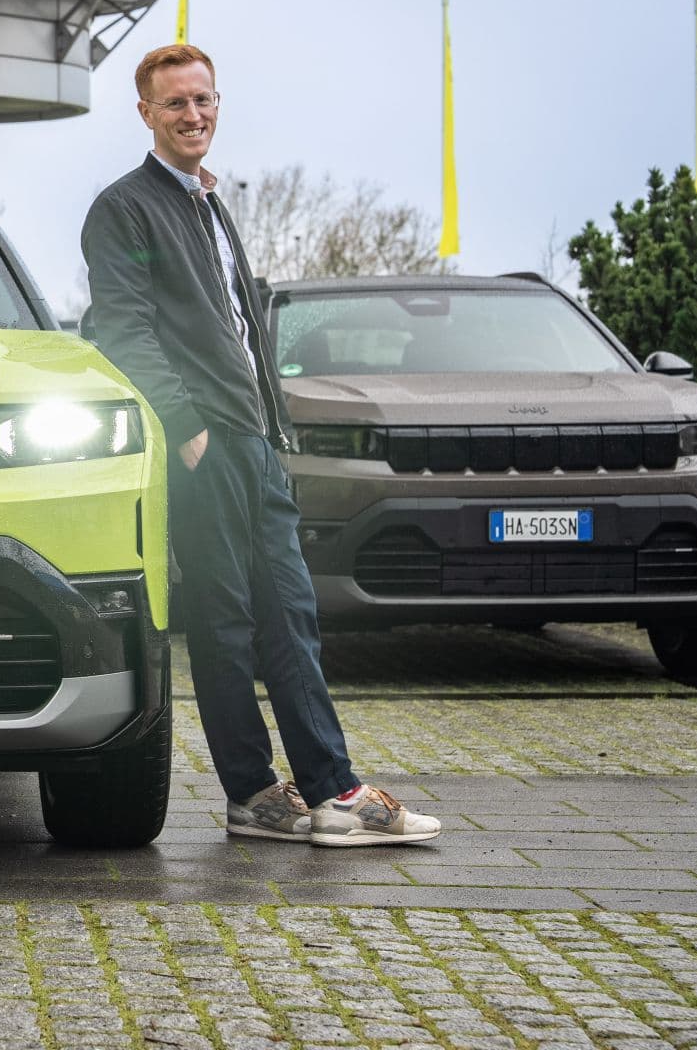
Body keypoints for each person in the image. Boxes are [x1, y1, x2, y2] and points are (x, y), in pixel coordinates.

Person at [82, 44, 440, 848]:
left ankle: (297, 793)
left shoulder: (209, 204)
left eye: (204, 100)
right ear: (146, 114)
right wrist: (191, 433)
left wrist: (265, 431)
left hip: (251, 441)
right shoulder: (125, 208)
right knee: (227, 621)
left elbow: (240, 333)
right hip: (207, 446)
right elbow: (126, 331)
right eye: (175, 104)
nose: (193, 115)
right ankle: (295, 793)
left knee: (283, 612)